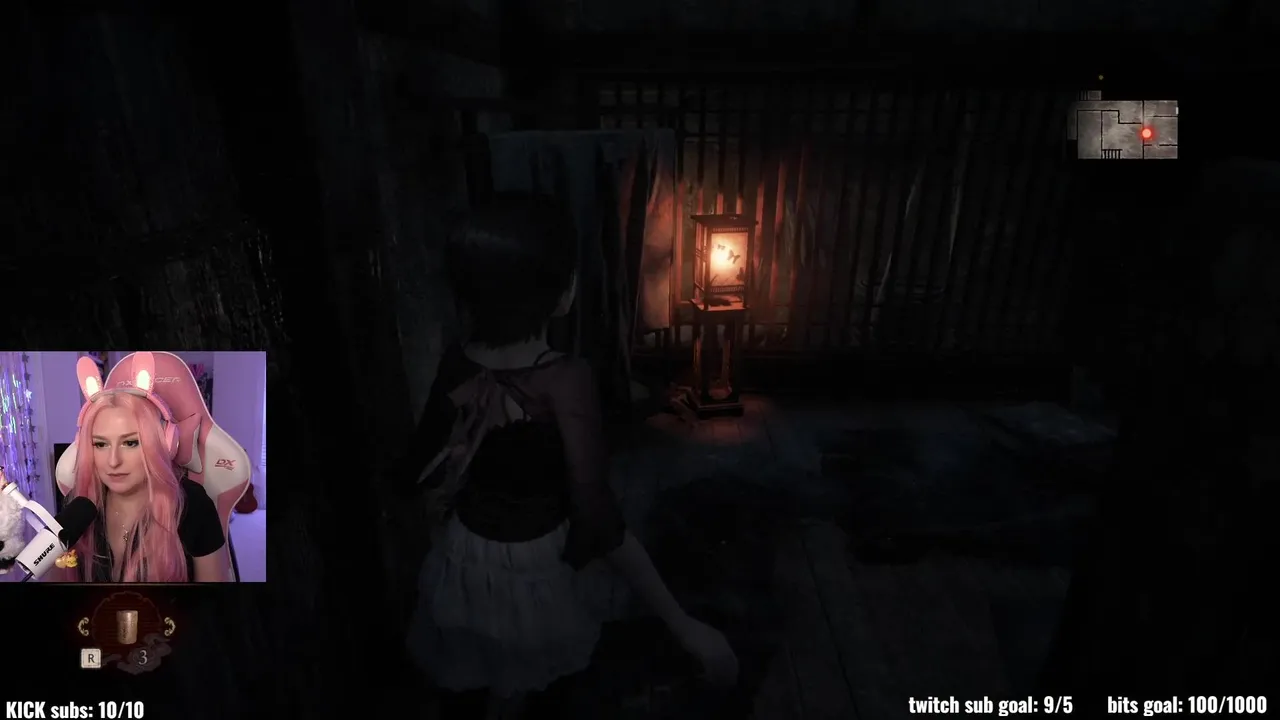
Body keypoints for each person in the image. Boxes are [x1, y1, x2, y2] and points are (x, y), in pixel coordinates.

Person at [402, 193, 738, 719]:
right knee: (527, 681)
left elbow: (418, 468)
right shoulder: (565, 378)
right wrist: (683, 624)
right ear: (562, 294)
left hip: (463, 562)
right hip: (533, 571)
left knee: (488, 677)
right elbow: (598, 517)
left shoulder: (456, 362)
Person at [65, 389, 227, 583]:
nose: (113, 461)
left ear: (162, 442)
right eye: (100, 444)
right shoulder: (77, 504)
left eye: (130, 443)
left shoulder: (192, 503)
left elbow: (216, 599)